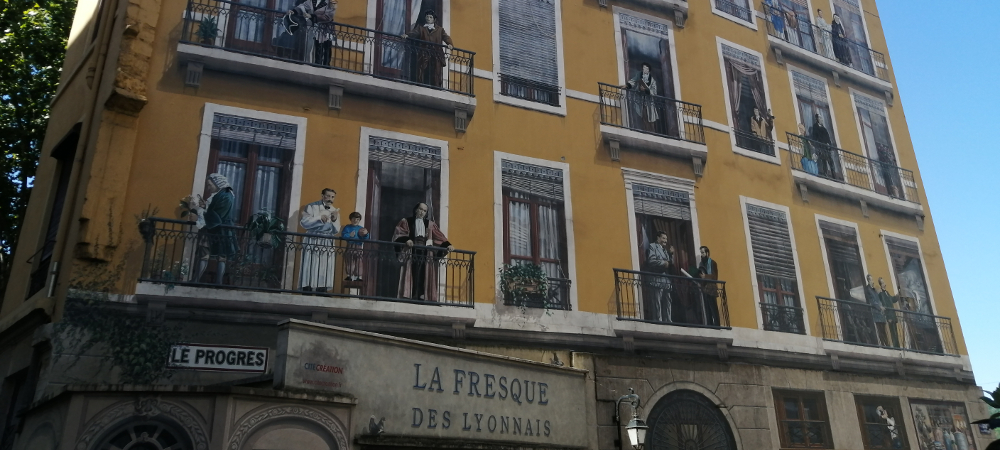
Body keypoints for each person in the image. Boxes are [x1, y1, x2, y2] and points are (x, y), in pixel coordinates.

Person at [392, 202, 453, 301]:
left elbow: (439, 237)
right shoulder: (407, 221)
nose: (422, 212)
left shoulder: (430, 224)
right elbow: (399, 233)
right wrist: (406, 240)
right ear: (416, 209)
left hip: (425, 251)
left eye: (424, 211)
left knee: (423, 273)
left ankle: (421, 295)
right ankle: (410, 294)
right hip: (412, 250)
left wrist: (448, 245)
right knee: (412, 272)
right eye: (420, 209)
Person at [191, 173, 237, 285]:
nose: (208, 188)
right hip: (213, 229)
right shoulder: (218, 195)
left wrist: (201, 213)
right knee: (204, 253)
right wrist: (204, 207)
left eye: (210, 185)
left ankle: (218, 282)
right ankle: (196, 280)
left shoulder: (226, 195)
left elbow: (218, 215)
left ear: (217, 183)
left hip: (220, 230)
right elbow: (213, 210)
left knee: (221, 256)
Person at [299, 188, 340, 292]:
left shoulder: (335, 211)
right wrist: (319, 218)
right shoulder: (311, 206)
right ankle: (307, 288)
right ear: (322, 196)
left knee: (324, 266)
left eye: (332, 197)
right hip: (313, 238)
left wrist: (334, 220)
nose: (330, 199)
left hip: (327, 239)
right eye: (328, 196)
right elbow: (304, 222)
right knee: (311, 264)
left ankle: (322, 289)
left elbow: (336, 230)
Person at [403, 10, 453, 88]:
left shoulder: (440, 30)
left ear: (434, 19)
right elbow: (414, 33)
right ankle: (420, 84)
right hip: (424, 52)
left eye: (430, 17)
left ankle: (436, 86)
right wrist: (407, 35)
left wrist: (449, 44)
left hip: (436, 53)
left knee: (436, 71)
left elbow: (445, 37)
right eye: (427, 17)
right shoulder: (421, 28)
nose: (428, 19)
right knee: (422, 68)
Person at [282, 0, 337, 65]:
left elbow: (328, 16)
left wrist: (312, 16)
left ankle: (325, 66)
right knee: (314, 48)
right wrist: (293, 11)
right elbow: (302, 7)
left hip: (325, 30)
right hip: (313, 29)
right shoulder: (311, 1)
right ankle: (315, 64)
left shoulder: (330, 3)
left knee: (325, 49)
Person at [643, 231, 675, 322]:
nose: (665, 241)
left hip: (666, 280)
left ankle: (668, 320)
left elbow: (670, 264)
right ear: (658, 238)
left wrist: (671, 255)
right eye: (663, 238)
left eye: (666, 239)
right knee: (657, 301)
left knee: (668, 300)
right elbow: (651, 261)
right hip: (656, 279)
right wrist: (663, 263)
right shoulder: (652, 246)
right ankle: (658, 320)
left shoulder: (665, 250)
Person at [625, 62, 661, 133]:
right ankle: (645, 130)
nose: (644, 69)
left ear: (648, 70)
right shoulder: (639, 75)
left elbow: (654, 91)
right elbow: (633, 81)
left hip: (649, 103)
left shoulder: (652, 80)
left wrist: (646, 90)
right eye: (643, 68)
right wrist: (627, 86)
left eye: (646, 68)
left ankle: (652, 131)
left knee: (651, 118)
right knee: (643, 116)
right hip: (641, 101)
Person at [694, 246, 720, 326]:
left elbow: (715, 276)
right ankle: (710, 324)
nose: (701, 254)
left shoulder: (713, 263)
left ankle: (717, 325)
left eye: (703, 252)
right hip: (704, 288)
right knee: (707, 309)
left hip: (711, 288)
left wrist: (705, 276)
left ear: (707, 253)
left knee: (713, 308)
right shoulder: (701, 264)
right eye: (701, 253)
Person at [341, 212, 370, 281]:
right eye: (354, 218)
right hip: (350, 246)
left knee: (359, 262)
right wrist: (349, 235)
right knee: (350, 261)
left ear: (359, 220)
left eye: (357, 219)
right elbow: (343, 235)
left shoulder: (361, 228)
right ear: (351, 219)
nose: (355, 220)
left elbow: (366, 238)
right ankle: (349, 276)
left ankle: (358, 277)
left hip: (358, 246)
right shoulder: (347, 227)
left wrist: (366, 234)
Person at [864, 274, 887, 346]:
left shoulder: (874, 289)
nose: (872, 281)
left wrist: (882, 307)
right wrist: (880, 307)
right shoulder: (868, 289)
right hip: (876, 312)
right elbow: (872, 301)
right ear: (868, 280)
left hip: (880, 312)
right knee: (880, 329)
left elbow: (877, 299)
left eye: (872, 279)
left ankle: (886, 344)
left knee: (883, 330)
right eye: (871, 280)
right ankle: (883, 344)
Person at [878, 277, 901, 348]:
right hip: (889, 315)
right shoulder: (881, 294)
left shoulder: (887, 293)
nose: (884, 284)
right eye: (883, 283)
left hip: (893, 315)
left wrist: (898, 294)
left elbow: (892, 299)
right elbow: (884, 305)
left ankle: (897, 346)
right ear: (881, 285)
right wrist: (888, 316)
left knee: (895, 332)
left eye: (884, 282)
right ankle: (895, 346)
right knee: (892, 332)